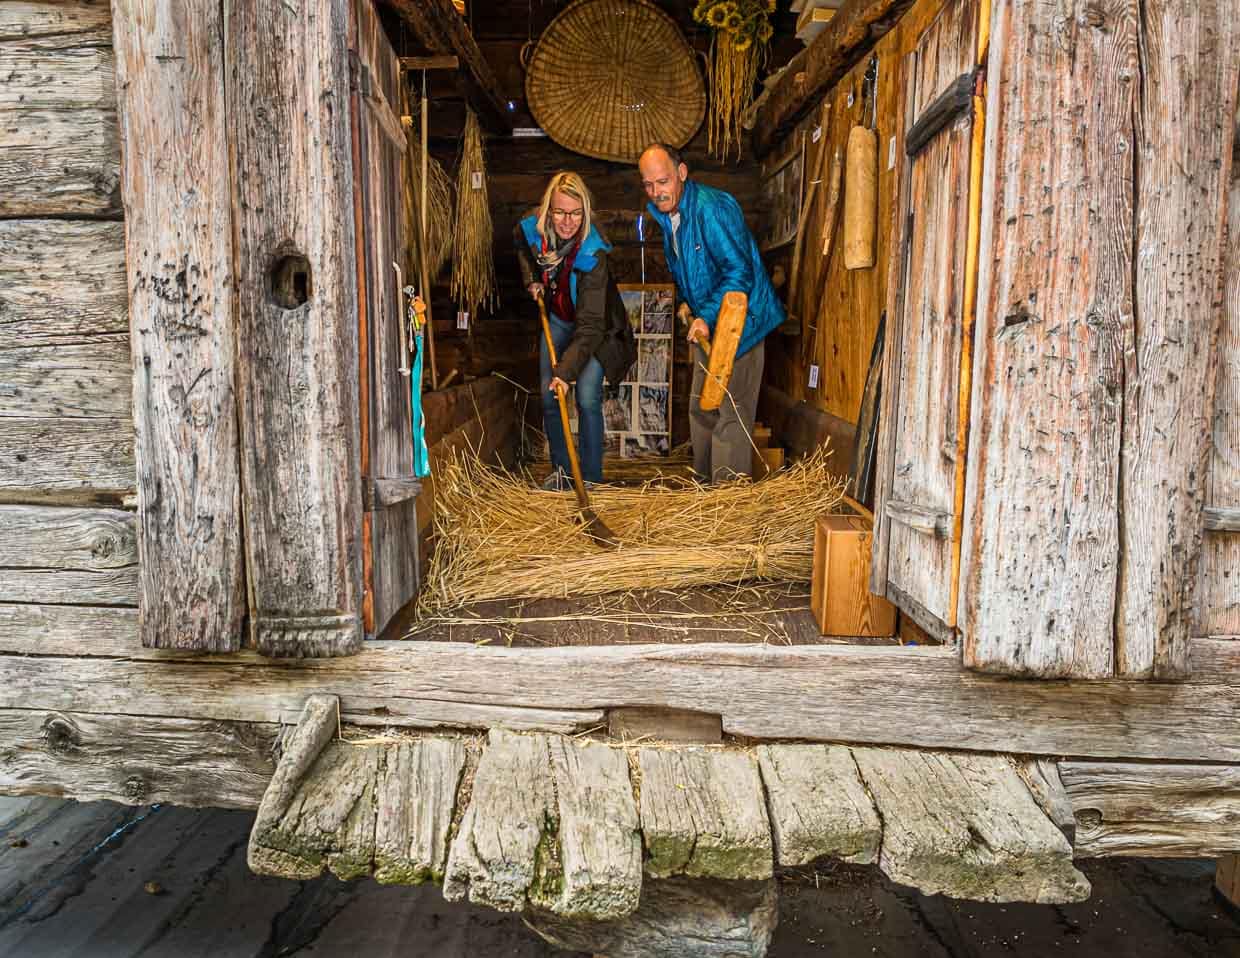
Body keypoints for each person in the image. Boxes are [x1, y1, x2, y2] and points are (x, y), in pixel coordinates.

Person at [638, 143, 785, 482]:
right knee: (702, 407)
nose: (656, 192)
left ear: (681, 173)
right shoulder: (670, 216)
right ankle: (704, 489)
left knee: (731, 413)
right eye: (649, 185)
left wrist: (705, 315)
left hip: (742, 325)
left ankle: (726, 498)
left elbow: (739, 272)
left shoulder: (711, 209)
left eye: (663, 182)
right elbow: (695, 268)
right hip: (708, 323)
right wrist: (691, 304)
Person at [516, 171, 636, 486]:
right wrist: (532, 279)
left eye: (576, 213)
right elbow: (521, 243)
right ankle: (563, 473)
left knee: (585, 397)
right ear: (548, 210)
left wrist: (565, 372)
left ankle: (591, 478)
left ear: (585, 211)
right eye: (560, 212)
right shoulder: (535, 229)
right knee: (550, 396)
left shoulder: (593, 254)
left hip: (597, 330)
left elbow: (591, 326)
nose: (568, 221)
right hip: (558, 318)